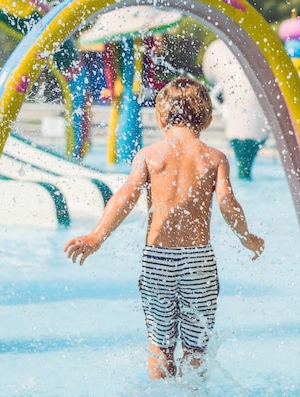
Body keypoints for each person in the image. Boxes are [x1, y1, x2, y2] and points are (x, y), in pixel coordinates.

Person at [64, 77, 265, 379]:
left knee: (160, 346)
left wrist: (97, 237)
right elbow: (227, 201)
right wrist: (245, 237)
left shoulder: (149, 156)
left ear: (160, 117)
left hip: (157, 259)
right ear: (208, 119)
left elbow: (125, 197)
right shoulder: (213, 158)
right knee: (197, 349)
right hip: (198, 260)